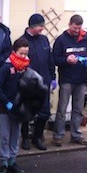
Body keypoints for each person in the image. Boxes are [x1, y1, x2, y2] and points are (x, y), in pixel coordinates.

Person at [0, 38, 47, 173]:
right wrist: (6, 102)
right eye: (21, 53)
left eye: (26, 53)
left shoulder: (26, 69)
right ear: (14, 52)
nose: (24, 57)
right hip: (7, 109)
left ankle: (12, 160)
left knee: (15, 135)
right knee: (5, 135)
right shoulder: (6, 67)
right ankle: (3, 163)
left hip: (20, 108)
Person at [52, 14, 87, 146]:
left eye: (79, 28)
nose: (76, 30)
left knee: (78, 109)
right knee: (62, 108)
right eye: (74, 27)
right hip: (66, 79)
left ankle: (76, 135)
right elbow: (55, 59)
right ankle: (58, 135)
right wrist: (66, 60)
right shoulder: (61, 40)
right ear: (69, 24)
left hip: (81, 80)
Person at [17, 13, 56, 150]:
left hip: (44, 83)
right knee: (27, 113)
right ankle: (25, 139)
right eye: (40, 26)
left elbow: (50, 60)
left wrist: (53, 78)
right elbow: (19, 63)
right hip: (28, 84)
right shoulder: (22, 42)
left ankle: (37, 137)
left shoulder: (44, 40)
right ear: (32, 26)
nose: (42, 29)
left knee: (45, 112)